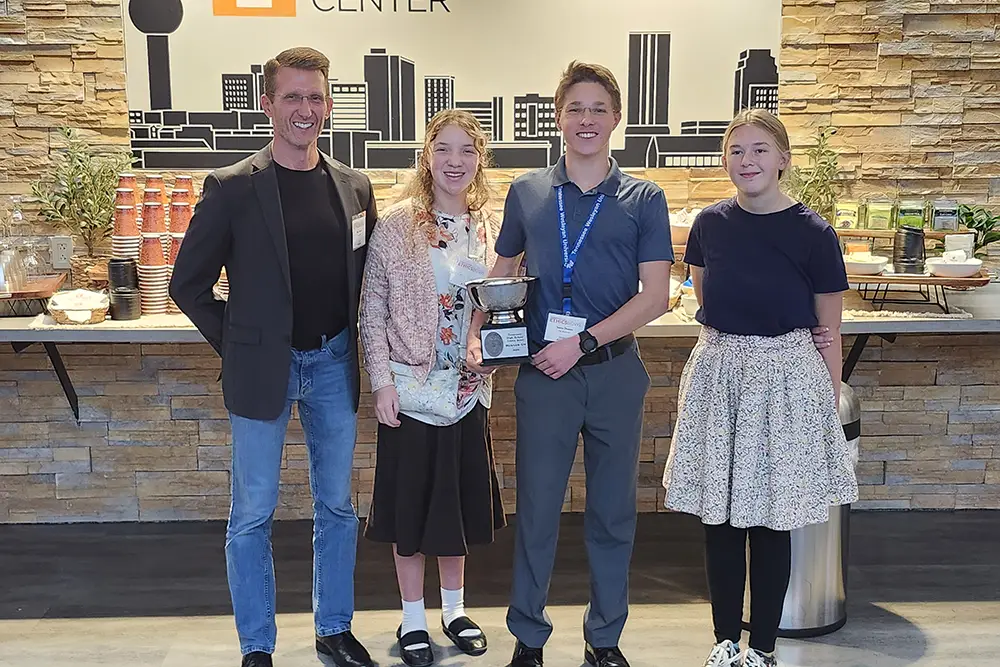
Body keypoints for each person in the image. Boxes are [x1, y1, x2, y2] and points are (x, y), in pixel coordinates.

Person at [169, 47, 378, 667]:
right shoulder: (233, 188)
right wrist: (238, 343)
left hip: (334, 362)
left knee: (337, 506)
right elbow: (188, 284)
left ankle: (333, 631)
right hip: (265, 367)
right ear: (268, 104)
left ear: (329, 104)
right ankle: (256, 647)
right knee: (253, 512)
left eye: (316, 97)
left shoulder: (354, 186)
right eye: (293, 97)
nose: (305, 109)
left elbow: (363, 278)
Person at [468, 62, 673, 667]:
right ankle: (528, 638)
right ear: (558, 118)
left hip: (612, 371)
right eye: (575, 109)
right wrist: (477, 338)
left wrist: (581, 343)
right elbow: (502, 272)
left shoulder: (644, 198)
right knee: (537, 510)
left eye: (598, 110)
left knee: (612, 513)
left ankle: (604, 638)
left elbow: (655, 296)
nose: (587, 120)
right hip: (544, 377)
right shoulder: (529, 191)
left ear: (617, 120)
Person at [661, 109, 859, 667]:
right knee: (719, 518)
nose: (746, 161)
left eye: (759, 150)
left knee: (774, 518)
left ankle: (764, 649)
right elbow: (708, 299)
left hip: (786, 379)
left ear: (783, 160)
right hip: (720, 372)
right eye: (736, 151)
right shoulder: (709, 224)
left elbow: (829, 329)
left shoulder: (815, 234)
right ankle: (725, 642)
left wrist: (825, 402)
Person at [359, 109, 506, 667]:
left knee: (456, 510)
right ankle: (413, 618)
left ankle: (455, 609)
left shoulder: (489, 226)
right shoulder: (398, 224)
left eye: (466, 151)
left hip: (468, 392)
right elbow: (371, 308)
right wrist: (381, 383)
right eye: (443, 149)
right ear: (427, 156)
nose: (454, 161)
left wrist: (488, 352)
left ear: (479, 161)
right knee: (411, 513)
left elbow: (500, 306)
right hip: (411, 391)